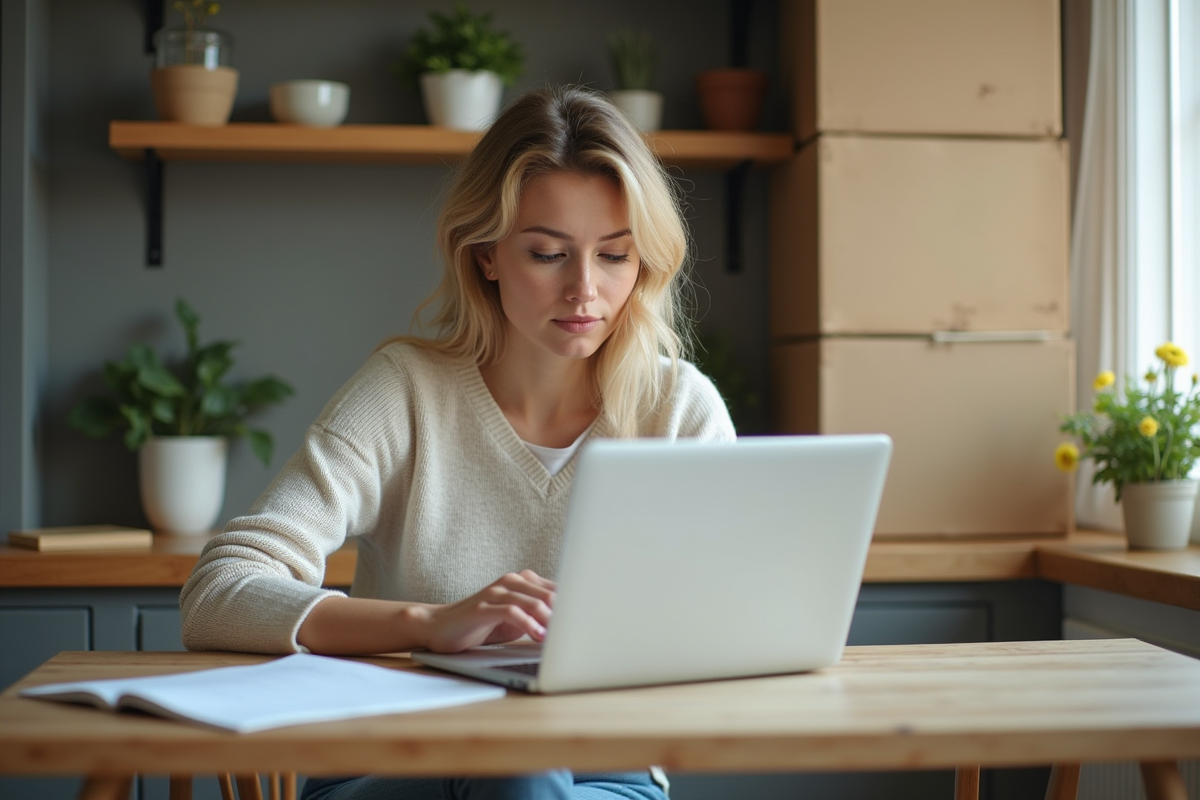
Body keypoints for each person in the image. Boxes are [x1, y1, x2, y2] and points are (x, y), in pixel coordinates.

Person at [180, 84, 735, 800]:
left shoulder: (678, 409)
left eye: (615, 257)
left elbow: (737, 623)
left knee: (524, 767)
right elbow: (217, 594)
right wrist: (431, 624)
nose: (584, 292)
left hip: (605, 775)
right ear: (485, 255)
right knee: (518, 764)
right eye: (547, 254)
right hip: (391, 769)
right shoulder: (405, 391)